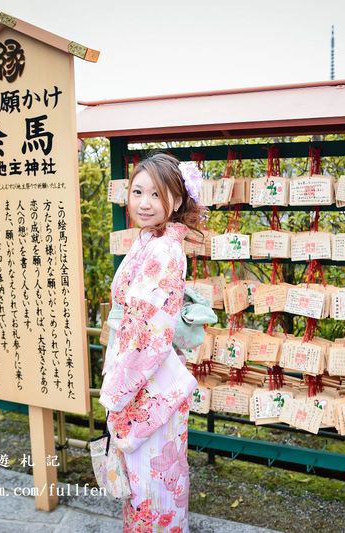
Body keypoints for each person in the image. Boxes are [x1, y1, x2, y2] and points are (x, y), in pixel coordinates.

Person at [99, 152, 206, 532]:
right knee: (151, 484)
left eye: (156, 195)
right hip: (148, 381)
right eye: (137, 192)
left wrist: (115, 391)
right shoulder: (151, 241)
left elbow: (149, 334)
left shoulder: (162, 250)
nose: (144, 203)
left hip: (146, 384)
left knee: (152, 485)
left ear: (175, 201)